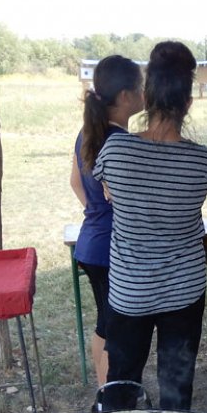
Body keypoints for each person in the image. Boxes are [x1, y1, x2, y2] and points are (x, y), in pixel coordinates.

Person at [93, 42, 207, 411]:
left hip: (130, 291)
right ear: (189, 102)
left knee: (121, 384)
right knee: (177, 387)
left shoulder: (116, 152)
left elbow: (109, 194)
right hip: (184, 290)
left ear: (146, 96)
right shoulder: (203, 162)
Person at [69, 55, 144, 387]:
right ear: (126, 96)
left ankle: (104, 393)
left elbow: (76, 182)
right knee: (117, 329)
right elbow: (116, 195)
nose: (146, 94)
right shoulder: (120, 143)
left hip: (91, 244)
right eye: (141, 88)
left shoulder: (85, 133)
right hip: (113, 251)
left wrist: (96, 214)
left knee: (105, 323)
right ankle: (111, 403)